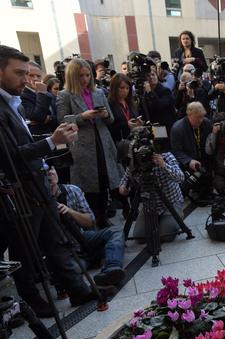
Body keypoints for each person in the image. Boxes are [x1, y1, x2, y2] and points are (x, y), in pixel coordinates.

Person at [0, 45, 103, 315]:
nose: (26, 80)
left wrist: (47, 152)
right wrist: (50, 142)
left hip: (38, 182)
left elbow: (22, 143)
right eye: (19, 73)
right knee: (26, 248)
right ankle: (32, 301)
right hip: (19, 191)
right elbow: (8, 156)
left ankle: (78, 289)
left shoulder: (13, 102)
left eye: (28, 73)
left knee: (56, 239)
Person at [56, 58, 123, 228]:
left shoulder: (98, 92)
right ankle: (91, 218)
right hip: (82, 147)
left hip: (103, 142)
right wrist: (83, 117)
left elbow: (111, 119)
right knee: (89, 184)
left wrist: (105, 115)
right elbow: (62, 121)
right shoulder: (64, 95)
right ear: (72, 76)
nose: (85, 79)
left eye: (87, 75)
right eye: (81, 76)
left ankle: (102, 216)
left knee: (105, 180)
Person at [48, 166, 126, 286]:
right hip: (67, 250)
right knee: (71, 269)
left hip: (83, 237)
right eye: (45, 173)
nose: (50, 174)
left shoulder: (72, 190)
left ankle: (112, 268)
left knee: (115, 232)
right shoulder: (39, 202)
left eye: (51, 169)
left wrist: (70, 211)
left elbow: (90, 221)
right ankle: (95, 260)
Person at [119, 131, 185, 243]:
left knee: (166, 236)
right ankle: (159, 221)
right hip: (149, 204)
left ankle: (176, 215)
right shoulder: (134, 161)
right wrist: (123, 188)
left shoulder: (164, 154)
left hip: (171, 203)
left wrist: (163, 165)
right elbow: (125, 179)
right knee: (140, 238)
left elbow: (180, 177)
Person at [205, 112, 225, 197]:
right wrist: (214, 134)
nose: (222, 125)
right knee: (220, 187)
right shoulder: (213, 135)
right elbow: (208, 151)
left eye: (224, 123)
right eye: (220, 124)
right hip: (220, 170)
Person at [21, 61, 56, 135]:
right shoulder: (22, 95)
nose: (35, 79)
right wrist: (41, 93)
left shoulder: (48, 94)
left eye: (38, 76)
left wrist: (48, 119)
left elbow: (58, 116)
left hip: (52, 136)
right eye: (31, 75)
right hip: (36, 138)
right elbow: (37, 116)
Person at [107, 74, 140, 145]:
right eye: (122, 88)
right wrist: (126, 125)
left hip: (133, 140)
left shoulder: (131, 103)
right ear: (114, 88)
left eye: (127, 88)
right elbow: (109, 127)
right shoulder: (109, 104)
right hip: (119, 143)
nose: (125, 91)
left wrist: (138, 123)